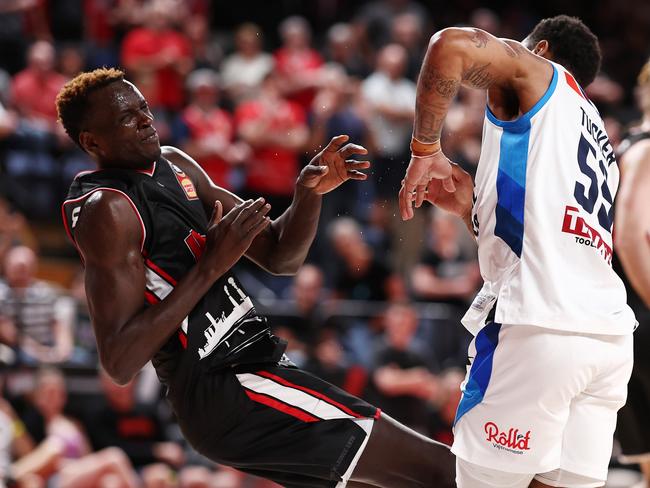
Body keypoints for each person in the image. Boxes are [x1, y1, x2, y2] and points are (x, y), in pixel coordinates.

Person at [55, 68, 455, 488]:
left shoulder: (175, 164)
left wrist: (308, 194)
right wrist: (211, 265)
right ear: (91, 141)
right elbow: (119, 361)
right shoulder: (108, 209)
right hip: (225, 387)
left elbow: (281, 255)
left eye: (144, 109)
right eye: (126, 117)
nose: (145, 120)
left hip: (254, 370)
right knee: (440, 470)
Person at [399, 15, 636, 488]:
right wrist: (472, 208)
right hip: (606, 341)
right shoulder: (594, 138)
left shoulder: (537, 73)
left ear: (540, 49)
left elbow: (449, 46)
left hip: (539, 329)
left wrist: (425, 148)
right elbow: (547, 239)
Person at [613, 58, 650, 487]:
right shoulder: (644, 149)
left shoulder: (628, 147)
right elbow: (629, 238)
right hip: (640, 312)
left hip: (626, 316)